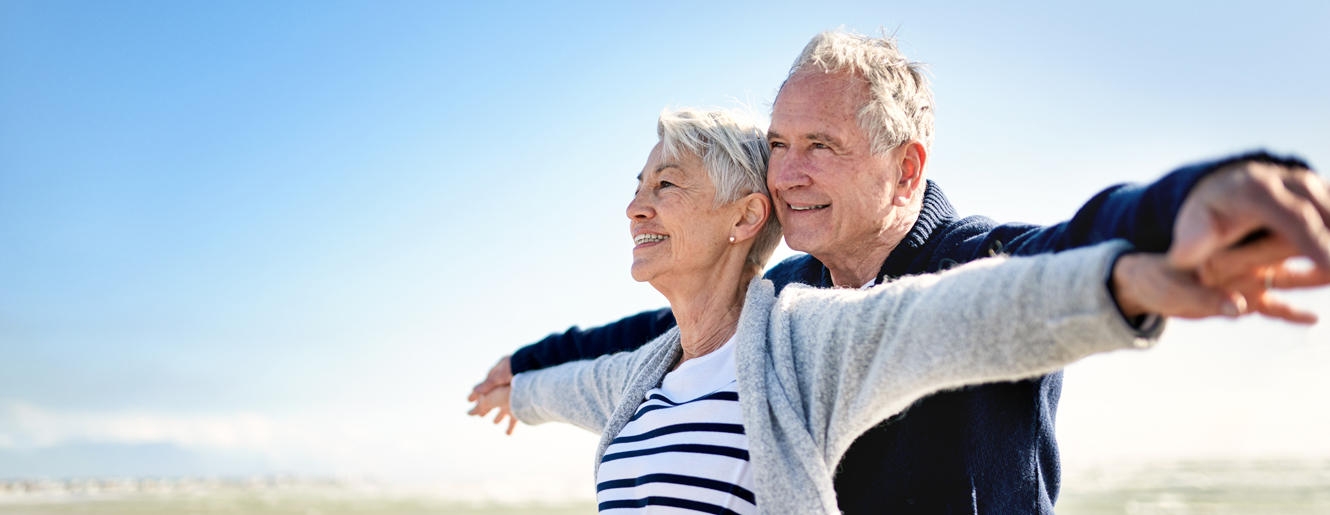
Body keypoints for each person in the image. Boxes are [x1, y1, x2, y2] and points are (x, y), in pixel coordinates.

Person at [470, 31, 1330, 513]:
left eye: (821, 147)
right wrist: (531, 363)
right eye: (778, 146)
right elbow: (666, 335)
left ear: (906, 168)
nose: (789, 174)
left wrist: (1176, 207)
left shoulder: (977, 260)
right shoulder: (788, 301)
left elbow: (1064, 253)